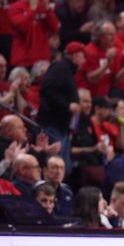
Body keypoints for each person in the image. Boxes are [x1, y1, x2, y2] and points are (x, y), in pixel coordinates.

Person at [38, 41, 84, 175]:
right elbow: (47, 89)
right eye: (82, 55)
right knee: (56, 167)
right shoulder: (61, 68)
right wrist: (67, 105)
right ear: (75, 55)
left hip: (62, 127)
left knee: (64, 168)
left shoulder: (68, 71)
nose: (84, 60)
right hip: (53, 125)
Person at [8, 0, 60, 67]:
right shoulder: (14, 7)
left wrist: (47, 8)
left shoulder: (44, 7)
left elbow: (55, 28)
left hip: (42, 58)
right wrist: (32, 9)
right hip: (22, 58)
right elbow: (23, 28)